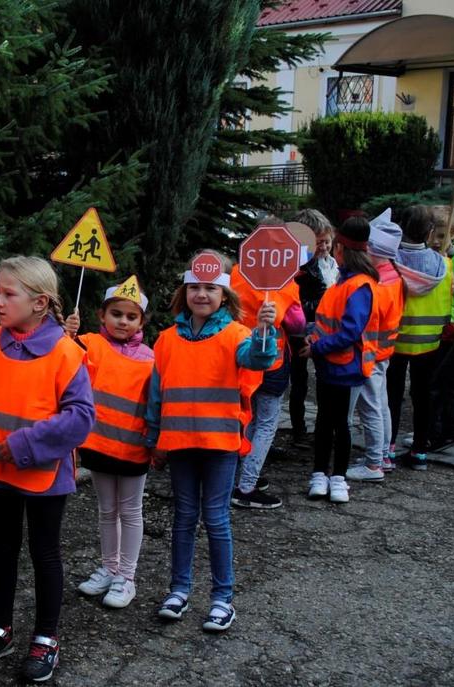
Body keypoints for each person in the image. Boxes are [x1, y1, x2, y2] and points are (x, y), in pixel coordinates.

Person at [0, 256, 94, 682]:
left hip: (45, 473)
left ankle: (46, 638)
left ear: (40, 302)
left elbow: (81, 418)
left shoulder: (65, 352)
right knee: (1, 547)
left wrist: (24, 444)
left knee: (45, 553)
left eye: (8, 294)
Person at [146, 250, 276, 633]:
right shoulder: (167, 339)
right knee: (185, 516)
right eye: (195, 287)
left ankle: (222, 599)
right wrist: (154, 438)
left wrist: (265, 331)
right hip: (180, 442)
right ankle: (179, 590)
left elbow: (257, 360)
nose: (202, 294)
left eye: (211, 288)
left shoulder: (237, 333)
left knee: (216, 518)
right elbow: (157, 392)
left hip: (220, 442)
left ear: (225, 295)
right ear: (184, 292)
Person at [63, 278, 153, 609]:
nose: (123, 322)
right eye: (116, 314)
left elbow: (153, 403)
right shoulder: (87, 344)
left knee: (130, 510)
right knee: (106, 510)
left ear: (141, 322)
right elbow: (64, 360)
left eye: (131, 317)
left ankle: (126, 577)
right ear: (102, 315)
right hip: (98, 445)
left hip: (133, 448)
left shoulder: (149, 358)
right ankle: (110, 567)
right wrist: (68, 334)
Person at [300, 217, 378, 503]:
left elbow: (349, 332)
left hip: (344, 365)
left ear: (342, 249)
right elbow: (326, 323)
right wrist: (312, 334)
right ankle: (321, 474)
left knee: (339, 422)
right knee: (325, 420)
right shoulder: (343, 282)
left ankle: (338, 477)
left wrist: (316, 347)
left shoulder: (358, 286)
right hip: (330, 364)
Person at [230, 225, 305, 509]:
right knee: (266, 422)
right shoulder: (287, 281)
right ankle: (246, 485)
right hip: (271, 359)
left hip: (239, 355)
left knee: (247, 417)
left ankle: (242, 474)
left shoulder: (237, 272)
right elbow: (297, 324)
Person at [386, 206, 451, 470]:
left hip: (395, 339)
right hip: (430, 341)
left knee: (391, 394)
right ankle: (419, 451)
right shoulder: (443, 264)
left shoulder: (391, 262)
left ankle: (387, 447)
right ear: (430, 231)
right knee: (423, 396)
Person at [347, 210, 404, 480]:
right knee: (381, 405)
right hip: (383, 351)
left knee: (370, 407)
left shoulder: (378, 282)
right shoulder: (393, 275)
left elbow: (367, 319)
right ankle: (383, 455)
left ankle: (373, 464)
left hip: (371, 353)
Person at [289, 210, 338, 444]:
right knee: (299, 379)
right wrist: (324, 299)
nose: (324, 246)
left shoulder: (330, 262)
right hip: (302, 328)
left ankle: (323, 426)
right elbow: (297, 302)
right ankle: (298, 428)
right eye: (318, 242)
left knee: (324, 377)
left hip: (324, 328)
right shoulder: (300, 269)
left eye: (326, 241)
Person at [426, 205, 454, 450]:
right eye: (431, 235)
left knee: (445, 381)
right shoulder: (431, 257)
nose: (435, 241)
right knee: (435, 380)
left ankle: (449, 428)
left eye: (441, 236)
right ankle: (436, 428)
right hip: (433, 326)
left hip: (452, 327)